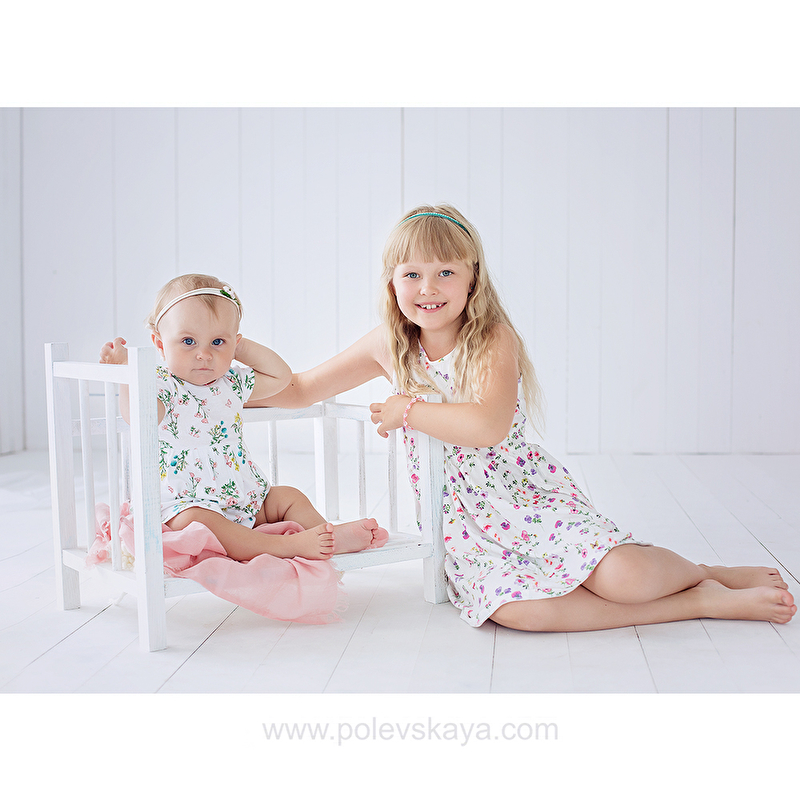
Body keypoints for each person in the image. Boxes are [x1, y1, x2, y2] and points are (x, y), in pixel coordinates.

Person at [254, 205, 797, 631]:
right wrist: (224, 376)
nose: (428, 288)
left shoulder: (490, 339)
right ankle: (696, 602)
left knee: (624, 577)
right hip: (464, 521)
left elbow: (487, 426)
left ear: (472, 279)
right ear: (392, 282)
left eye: (445, 272)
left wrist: (409, 410)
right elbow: (299, 389)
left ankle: (703, 574)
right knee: (516, 611)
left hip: (524, 498)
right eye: (412, 274)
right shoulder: (389, 344)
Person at [100, 273, 387, 563]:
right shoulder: (162, 384)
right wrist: (126, 374)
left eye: (217, 341)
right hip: (183, 502)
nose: (204, 354)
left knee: (289, 497)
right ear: (160, 344)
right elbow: (140, 416)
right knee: (200, 522)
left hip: (242, 494)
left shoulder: (232, 382)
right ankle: (287, 546)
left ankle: (327, 535)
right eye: (188, 341)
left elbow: (280, 377)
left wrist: (237, 347)